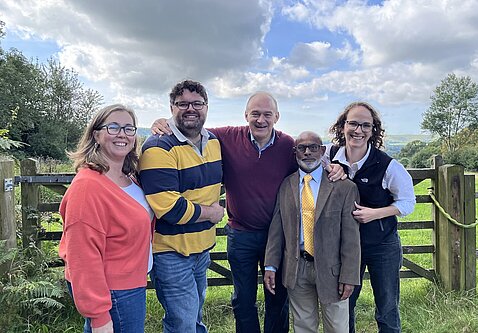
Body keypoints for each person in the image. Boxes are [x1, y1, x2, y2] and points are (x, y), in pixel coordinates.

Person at [151, 91, 346, 333]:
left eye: (267, 114)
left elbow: (312, 158)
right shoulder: (224, 137)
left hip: (279, 236)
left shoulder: (287, 145)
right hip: (240, 234)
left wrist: (334, 168)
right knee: (243, 299)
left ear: (276, 116)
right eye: (255, 114)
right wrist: (164, 122)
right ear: (246, 115)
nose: (260, 120)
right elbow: (192, 127)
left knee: (278, 296)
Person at [139, 80, 225, 333]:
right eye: (183, 104)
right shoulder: (158, 146)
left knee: (194, 317)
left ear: (206, 107)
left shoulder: (214, 142)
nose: (191, 109)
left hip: (202, 250)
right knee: (183, 324)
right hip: (171, 253)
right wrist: (212, 213)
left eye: (197, 103)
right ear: (171, 107)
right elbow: (169, 208)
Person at [59, 104, 153, 333]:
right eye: (113, 127)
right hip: (114, 293)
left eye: (129, 128)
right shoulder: (88, 186)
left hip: (130, 285)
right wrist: (100, 317)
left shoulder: (129, 178)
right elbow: (82, 256)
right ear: (96, 135)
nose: (122, 134)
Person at [326, 102, 416, 333]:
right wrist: (329, 170)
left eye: (366, 125)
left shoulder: (388, 165)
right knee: (344, 303)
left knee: (386, 306)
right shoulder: (328, 155)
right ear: (342, 126)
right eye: (353, 123)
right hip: (345, 246)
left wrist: (376, 213)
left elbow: (407, 202)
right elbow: (305, 162)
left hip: (381, 244)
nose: (359, 130)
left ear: (374, 130)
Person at [264, 131, 361, 333]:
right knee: (303, 326)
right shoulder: (286, 185)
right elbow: (276, 229)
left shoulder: (344, 187)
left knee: (337, 327)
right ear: (295, 152)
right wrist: (271, 266)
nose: (307, 152)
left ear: (322, 151)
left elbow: (351, 238)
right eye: (302, 148)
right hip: (297, 268)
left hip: (332, 271)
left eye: (313, 147)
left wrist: (349, 276)